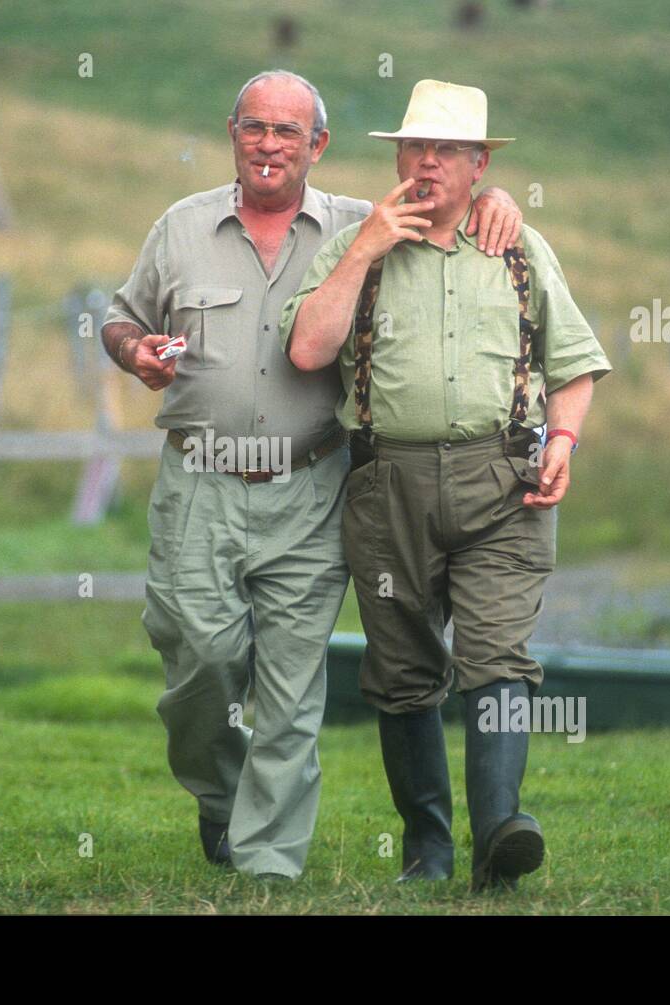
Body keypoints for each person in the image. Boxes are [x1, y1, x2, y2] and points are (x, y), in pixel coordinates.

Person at [99, 70, 523, 880]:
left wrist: (500, 196)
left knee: (293, 687)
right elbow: (122, 316)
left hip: (312, 485)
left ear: (317, 145)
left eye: (287, 132)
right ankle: (221, 795)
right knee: (200, 661)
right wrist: (134, 350)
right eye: (254, 127)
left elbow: (448, 203)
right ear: (232, 134)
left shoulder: (361, 224)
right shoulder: (179, 228)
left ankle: (268, 865)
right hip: (200, 483)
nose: (269, 144)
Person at [282, 80, 611, 891]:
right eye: (413, 147)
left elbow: (572, 365)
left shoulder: (520, 248)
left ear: (477, 164)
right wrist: (363, 248)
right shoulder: (356, 243)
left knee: (499, 656)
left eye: (447, 151)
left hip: (504, 482)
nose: (426, 162)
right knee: (400, 670)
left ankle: (500, 829)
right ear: (396, 156)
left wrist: (564, 438)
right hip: (384, 481)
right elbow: (307, 351)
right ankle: (428, 849)